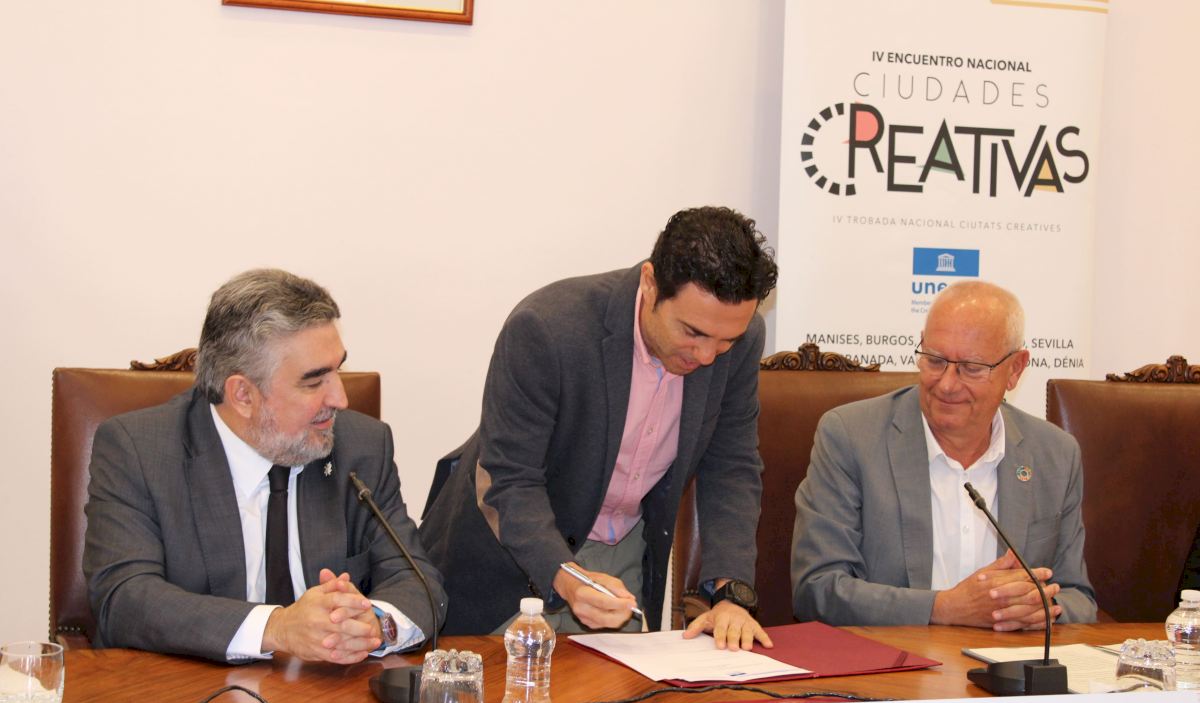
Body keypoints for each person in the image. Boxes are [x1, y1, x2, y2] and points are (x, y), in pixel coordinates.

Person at [420, 206, 778, 649]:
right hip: (507, 560)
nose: (707, 356)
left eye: (726, 341)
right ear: (650, 284)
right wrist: (565, 576)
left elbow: (732, 465)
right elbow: (510, 478)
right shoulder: (548, 328)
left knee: (616, 693)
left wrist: (731, 593)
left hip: (618, 555)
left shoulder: (741, 338)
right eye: (692, 332)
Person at [84, 269, 446, 664]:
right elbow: (124, 599)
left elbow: (418, 582)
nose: (340, 399)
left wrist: (375, 625)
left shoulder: (362, 446)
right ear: (242, 394)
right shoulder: (139, 451)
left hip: (328, 691)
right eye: (314, 382)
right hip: (190, 690)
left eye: (337, 370)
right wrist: (277, 628)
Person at [791, 280, 1097, 629]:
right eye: (935, 361)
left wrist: (1037, 609)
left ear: (1015, 369)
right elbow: (817, 589)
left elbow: (1078, 598)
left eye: (971, 368)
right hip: (894, 659)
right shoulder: (851, 436)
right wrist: (944, 608)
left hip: (1009, 659)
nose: (947, 384)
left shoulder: (1054, 454)